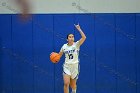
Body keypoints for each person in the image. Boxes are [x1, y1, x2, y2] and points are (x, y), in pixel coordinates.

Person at [58, 23, 86, 93]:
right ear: (67, 39)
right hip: (67, 66)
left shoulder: (76, 44)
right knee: (66, 83)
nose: (71, 38)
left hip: (75, 66)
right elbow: (59, 55)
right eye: (70, 37)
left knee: (73, 85)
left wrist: (79, 29)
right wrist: (55, 57)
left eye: (73, 36)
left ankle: (74, 90)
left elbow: (84, 37)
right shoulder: (64, 46)